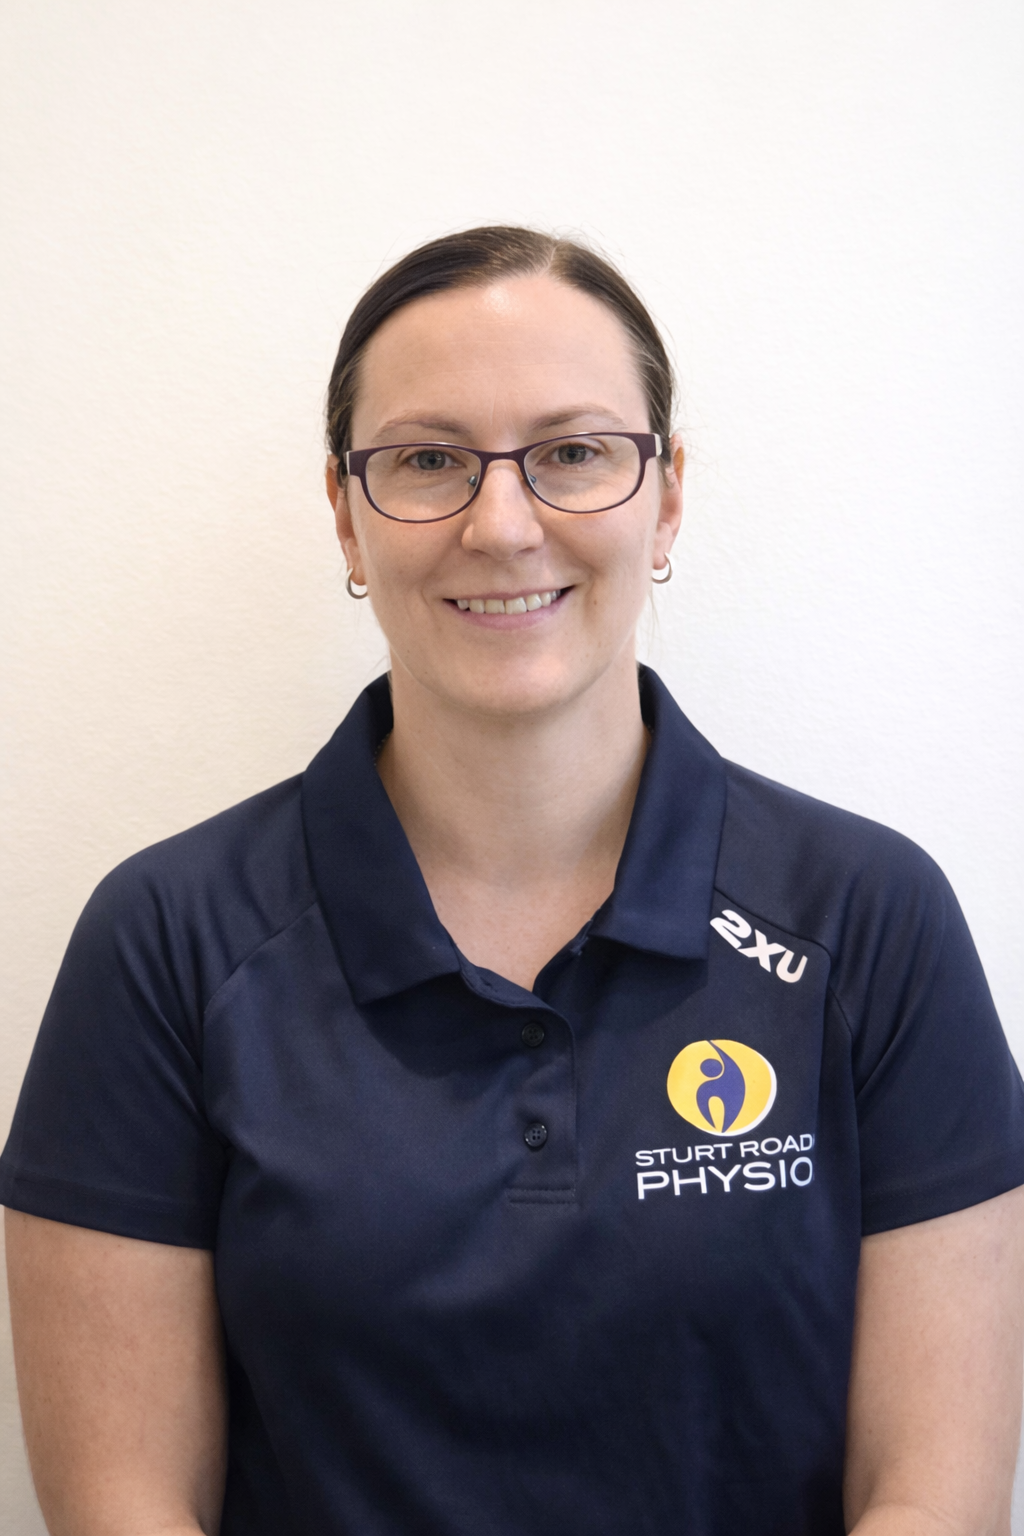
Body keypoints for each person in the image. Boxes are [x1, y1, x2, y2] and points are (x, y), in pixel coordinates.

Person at [3, 225, 1023, 1536]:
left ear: (664, 498)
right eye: (428, 460)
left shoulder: (869, 918)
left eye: (573, 453)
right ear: (345, 513)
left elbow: (936, 1497)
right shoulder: (169, 939)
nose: (501, 522)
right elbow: (122, 1506)